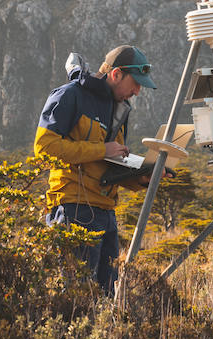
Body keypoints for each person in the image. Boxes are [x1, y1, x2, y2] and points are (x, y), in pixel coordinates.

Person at [35, 44, 157, 293]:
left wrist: (143, 178)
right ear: (116, 74)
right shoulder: (70, 95)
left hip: (106, 215)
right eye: (135, 83)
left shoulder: (119, 109)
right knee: (73, 295)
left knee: (105, 297)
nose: (137, 91)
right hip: (73, 209)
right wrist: (102, 149)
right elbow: (44, 148)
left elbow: (112, 163)